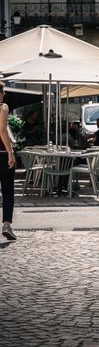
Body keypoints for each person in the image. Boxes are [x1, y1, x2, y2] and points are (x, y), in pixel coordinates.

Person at [0, 82, 17, 241]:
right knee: (7, 191)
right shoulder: (2, 107)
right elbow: (3, 130)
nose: (4, 94)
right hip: (2, 153)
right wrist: (10, 152)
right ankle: (6, 225)